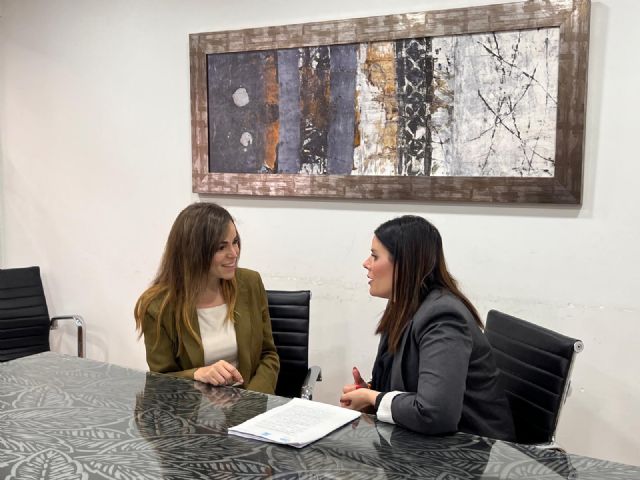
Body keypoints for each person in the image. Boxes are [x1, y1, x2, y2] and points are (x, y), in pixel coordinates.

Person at [340, 215, 516, 441]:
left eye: (375, 256)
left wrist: (373, 398)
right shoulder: (403, 306)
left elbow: (435, 413)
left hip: (474, 448)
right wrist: (370, 392)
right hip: (426, 442)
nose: (366, 263)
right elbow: (409, 383)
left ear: (404, 264)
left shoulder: (444, 317)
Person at [134, 202, 279, 394]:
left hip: (248, 402)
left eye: (235, 242)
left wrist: (251, 401)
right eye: (221, 247)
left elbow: (268, 355)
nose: (234, 253)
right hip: (192, 408)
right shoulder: (157, 307)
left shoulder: (250, 283)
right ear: (193, 252)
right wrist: (197, 374)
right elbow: (161, 380)